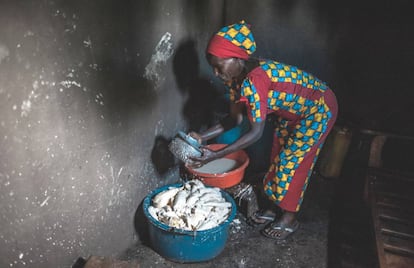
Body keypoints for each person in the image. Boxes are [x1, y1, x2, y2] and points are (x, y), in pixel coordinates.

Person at [189, 20, 338, 240]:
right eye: (213, 66)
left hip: (318, 110)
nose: (216, 73)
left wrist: (216, 154)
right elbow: (235, 119)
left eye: (219, 66)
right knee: (276, 158)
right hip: (292, 114)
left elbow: (255, 133)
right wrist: (202, 136)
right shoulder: (235, 79)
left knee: (292, 163)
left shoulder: (255, 81)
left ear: (237, 59)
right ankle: (272, 208)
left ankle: (289, 218)